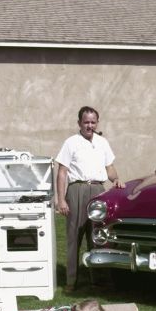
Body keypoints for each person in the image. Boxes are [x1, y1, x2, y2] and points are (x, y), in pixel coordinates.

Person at [54, 106, 122, 288]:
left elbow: (110, 168)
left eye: (93, 122)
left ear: (97, 123)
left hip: (98, 190)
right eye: (86, 122)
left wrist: (115, 179)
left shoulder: (102, 142)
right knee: (74, 236)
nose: (89, 126)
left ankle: (99, 280)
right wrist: (60, 199)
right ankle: (71, 281)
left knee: (98, 235)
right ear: (79, 123)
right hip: (77, 190)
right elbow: (62, 172)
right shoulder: (71, 142)